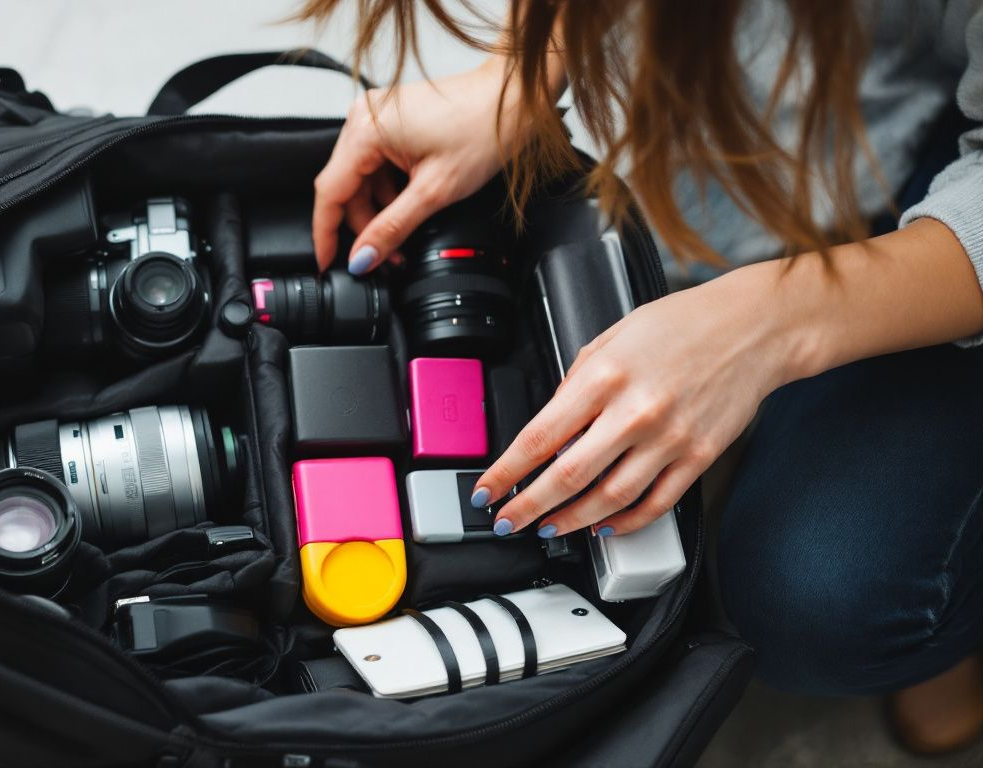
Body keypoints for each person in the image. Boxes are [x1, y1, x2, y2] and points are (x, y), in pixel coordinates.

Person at [297, 0, 983, 755]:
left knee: (824, 599)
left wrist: (764, 327)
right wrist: (517, 77)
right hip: (787, 130)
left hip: (948, 165)